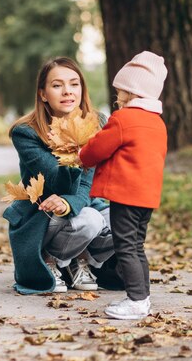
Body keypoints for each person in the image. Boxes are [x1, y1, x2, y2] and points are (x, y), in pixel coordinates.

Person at [3, 57, 116, 295]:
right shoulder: (26, 132)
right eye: (57, 85)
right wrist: (76, 148)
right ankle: (48, 259)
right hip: (43, 213)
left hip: (84, 203)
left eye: (74, 84)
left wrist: (71, 202)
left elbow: (87, 182)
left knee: (130, 222)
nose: (67, 92)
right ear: (43, 94)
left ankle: (79, 259)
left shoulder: (98, 123)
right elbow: (56, 179)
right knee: (90, 220)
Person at [79, 51, 168, 319]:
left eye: (120, 91)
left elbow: (98, 148)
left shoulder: (124, 119)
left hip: (126, 195)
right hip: (147, 197)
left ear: (131, 92)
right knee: (136, 246)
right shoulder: (157, 123)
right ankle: (143, 297)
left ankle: (136, 300)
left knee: (125, 247)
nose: (117, 97)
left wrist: (82, 156)